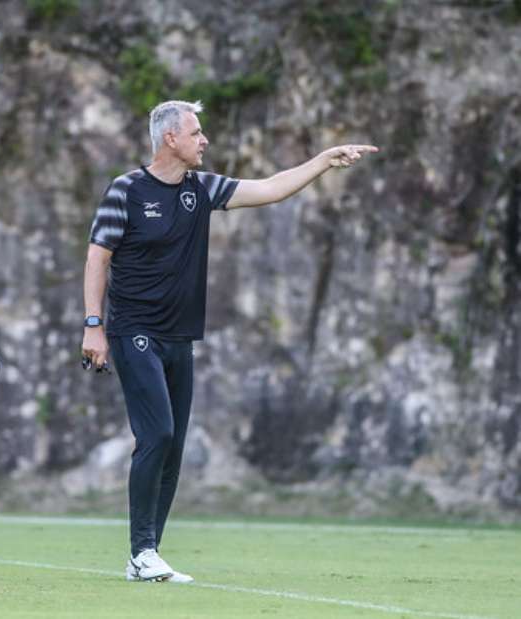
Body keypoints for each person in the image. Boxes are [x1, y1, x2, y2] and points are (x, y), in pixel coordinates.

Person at [82, 99, 377, 583]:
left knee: (172, 445)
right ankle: (141, 552)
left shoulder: (204, 188)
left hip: (181, 335)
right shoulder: (127, 190)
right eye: (196, 132)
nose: (205, 140)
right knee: (155, 434)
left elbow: (269, 188)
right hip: (133, 330)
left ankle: (148, 552)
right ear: (170, 139)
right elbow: (98, 258)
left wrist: (323, 161)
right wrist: (94, 325)